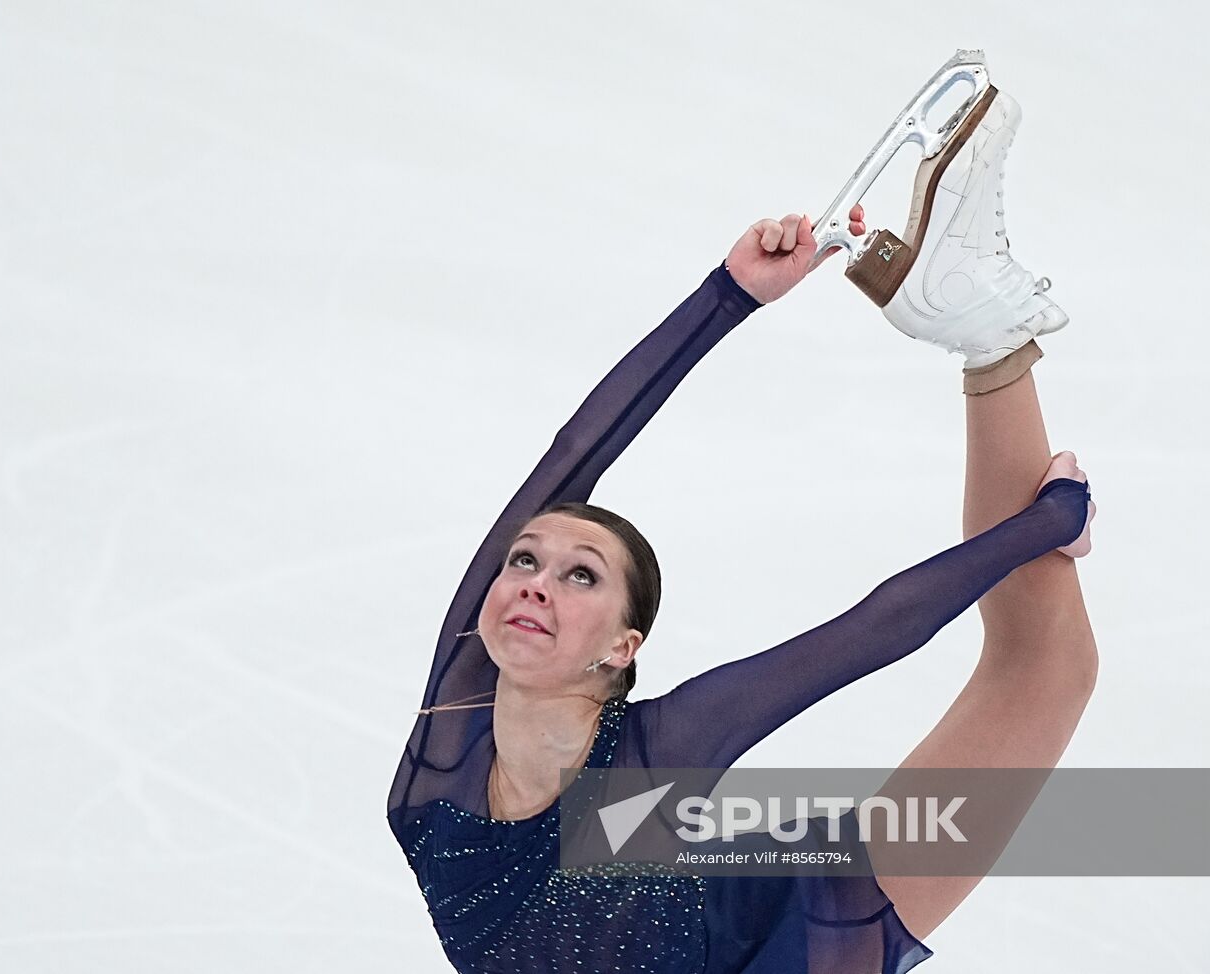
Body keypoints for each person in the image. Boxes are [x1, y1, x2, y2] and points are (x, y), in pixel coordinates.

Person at [386, 205, 1097, 973]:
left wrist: (1048, 523)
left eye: (580, 575)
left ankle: (988, 338)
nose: (533, 585)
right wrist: (728, 294)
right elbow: (573, 454)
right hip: (683, 904)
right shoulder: (446, 751)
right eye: (523, 562)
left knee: (1047, 670)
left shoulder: (657, 753)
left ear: (623, 647)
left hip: (772, 919)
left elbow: (873, 629)